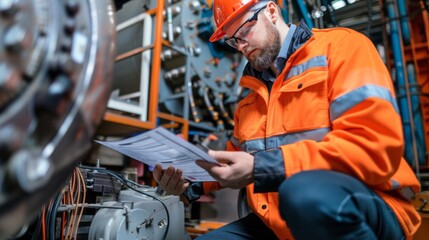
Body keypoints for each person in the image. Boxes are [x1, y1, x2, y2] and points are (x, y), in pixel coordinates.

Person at [153, 0, 421, 239]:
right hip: (278, 223)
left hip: (363, 206)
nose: (241, 46)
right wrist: (189, 183)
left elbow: (373, 146)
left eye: (244, 30)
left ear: (271, 11)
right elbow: (232, 159)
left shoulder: (343, 48)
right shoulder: (249, 99)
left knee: (304, 194)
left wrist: (261, 167)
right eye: (233, 40)